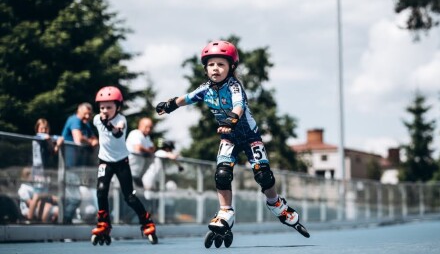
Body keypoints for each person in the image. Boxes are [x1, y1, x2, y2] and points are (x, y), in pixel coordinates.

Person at [156, 40, 305, 236]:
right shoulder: (205, 88)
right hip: (229, 137)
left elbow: (239, 106)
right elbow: (187, 98)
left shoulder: (234, 86)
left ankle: (276, 203)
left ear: (231, 67)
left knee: (263, 175)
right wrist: (170, 105)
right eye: (211, 64)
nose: (215, 69)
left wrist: (230, 120)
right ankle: (225, 211)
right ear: (205, 68)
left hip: (249, 136)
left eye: (221, 64)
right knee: (222, 174)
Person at [91, 86, 157, 244]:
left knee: (129, 196)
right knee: (101, 191)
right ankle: (103, 224)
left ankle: (146, 222)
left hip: (121, 162)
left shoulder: (121, 120)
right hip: (105, 161)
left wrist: (107, 123)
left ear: (118, 107)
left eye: (109, 107)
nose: (105, 110)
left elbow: (117, 133)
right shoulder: (96, 119)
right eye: (102, 107)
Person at [61, 103, 99, 168]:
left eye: (89, 114)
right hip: (70, 164)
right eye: (85, 113)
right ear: (79, 111)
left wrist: (92, 141)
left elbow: (95, 140)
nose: (87, 116)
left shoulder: (86, 124)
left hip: (81, 162)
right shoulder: (74, 120)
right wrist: (90, 142)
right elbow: (78, 139)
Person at [32, 118, 63, 190]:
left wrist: (58, 140)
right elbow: (47, 137)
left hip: (45, 167)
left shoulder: (47, 137)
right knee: (38, 191)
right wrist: (56, 146)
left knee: (45, 191)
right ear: (37, 129)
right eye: (41, 128)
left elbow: (60, 138)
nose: (44, 130)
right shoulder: (38, 136)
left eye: (46, 128)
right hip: (38, 168)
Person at [126, 117, 156, 187]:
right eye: (146, 127)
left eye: (150, 128)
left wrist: (146, 150)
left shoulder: (147, 138)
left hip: (136, 173)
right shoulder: (135, 133)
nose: (148, 130)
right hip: (126, 171)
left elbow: (153, 149)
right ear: (140, 126)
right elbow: (138, 148)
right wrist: (148, 151)